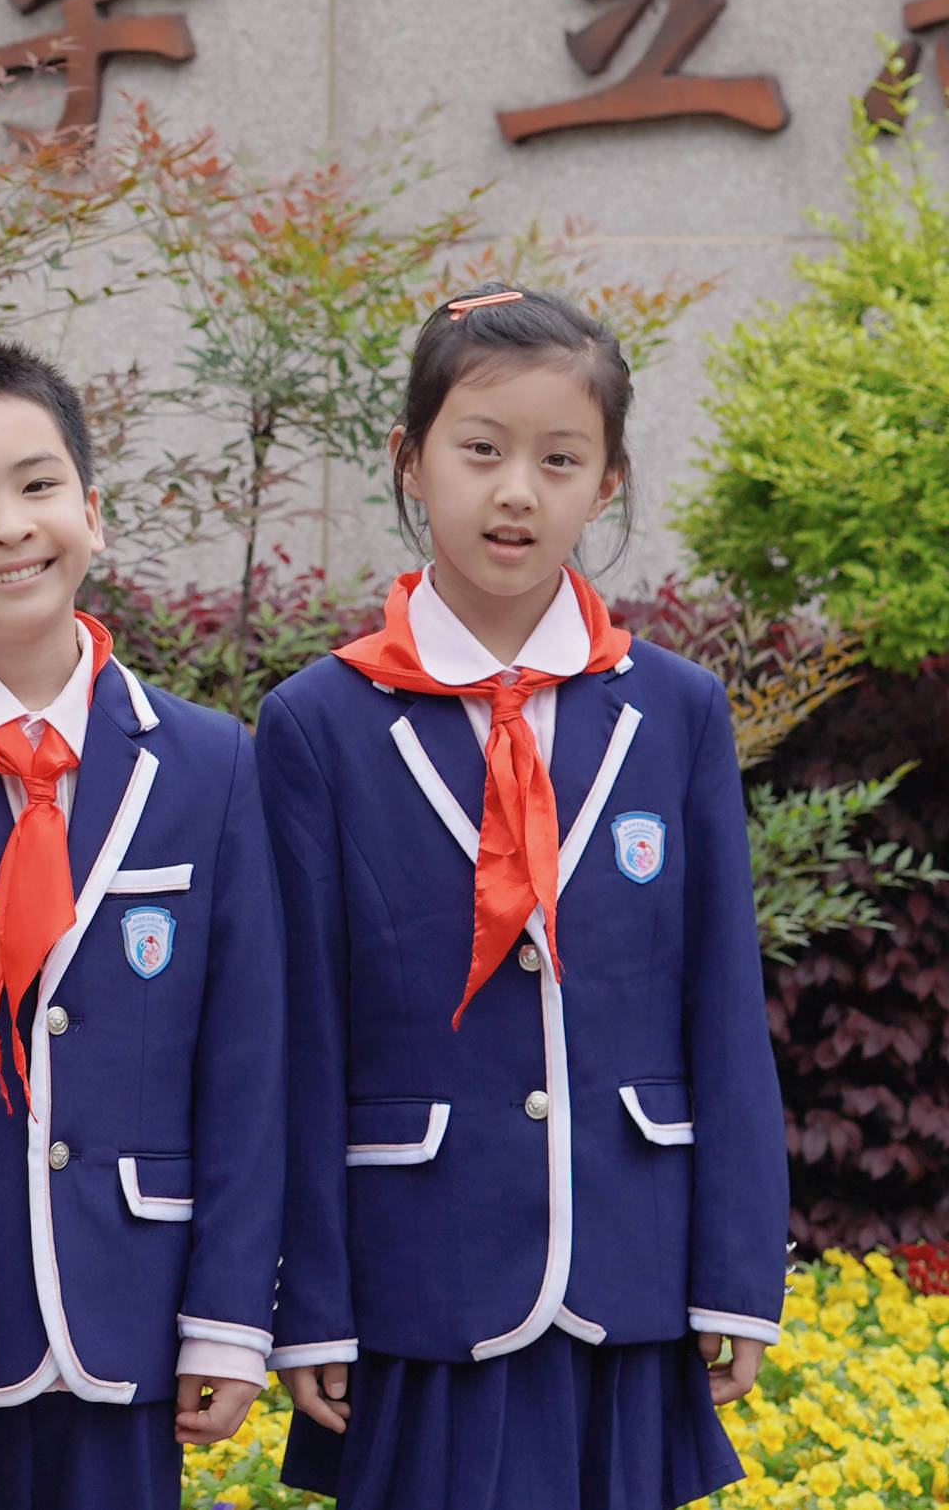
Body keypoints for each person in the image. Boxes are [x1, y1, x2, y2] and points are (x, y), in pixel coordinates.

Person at [257, 286, 789, 1510]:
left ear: (603, 484)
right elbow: (299, 1036)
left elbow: (718, 1002)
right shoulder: (318, 724)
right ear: (408, 460)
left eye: (559, 460)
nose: (515, 492)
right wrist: (310, 1303)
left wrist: (733, 1277)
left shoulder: (672, 711)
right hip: (420, 1282)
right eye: (480, 450)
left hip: (627, 1270)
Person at [0, 335, 285, 1510]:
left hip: (131, 1315)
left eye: (37, 487)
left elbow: (245, 1061)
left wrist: (230, 1318)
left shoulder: (207, 764)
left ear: (90, 512)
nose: (7, 526)